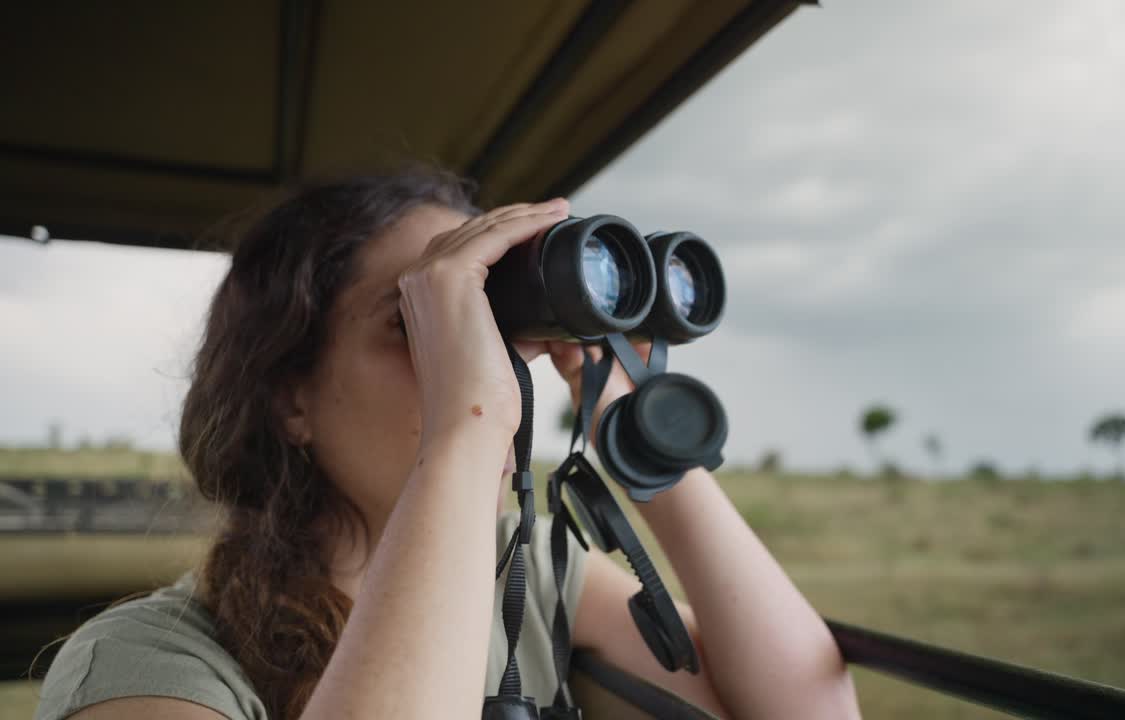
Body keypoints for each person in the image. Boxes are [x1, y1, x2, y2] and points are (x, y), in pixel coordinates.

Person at [35, 168, 861, 720]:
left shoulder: (526, 572)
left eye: (491, 326)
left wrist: (613, 399)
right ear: (292, 398)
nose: (483, 370)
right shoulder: (144, 667)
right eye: (417, 326)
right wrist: (466, 432)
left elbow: (812, 709)